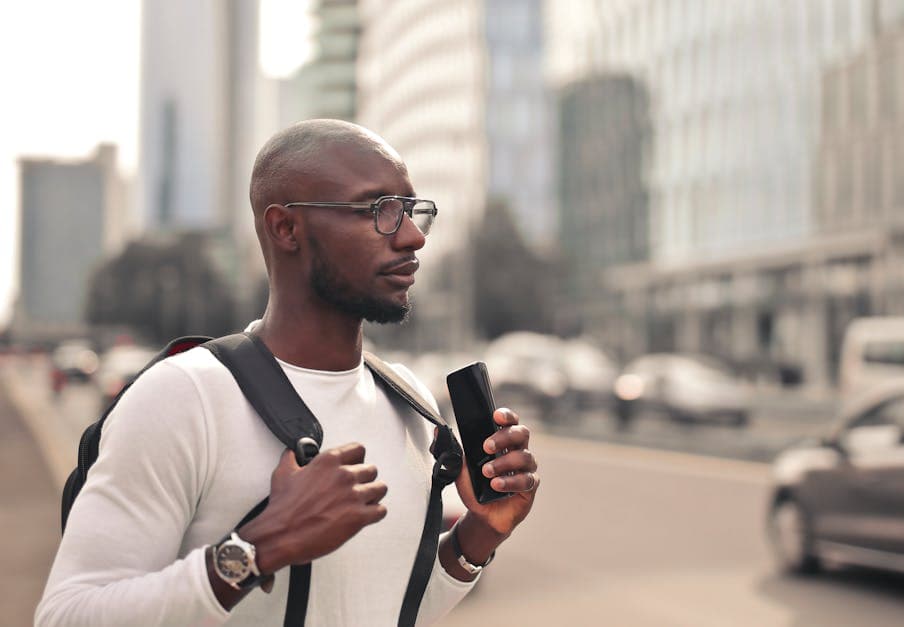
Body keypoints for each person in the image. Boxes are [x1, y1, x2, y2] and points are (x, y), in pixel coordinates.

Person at [36, 119, 541, 625]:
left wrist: (478, 537)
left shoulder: (409, 401)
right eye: (379, 210)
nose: (412, 237)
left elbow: (381, 606)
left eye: (412, 210)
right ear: (286, 228)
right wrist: (258, 547)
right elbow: (65, 615)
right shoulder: (186, 396)